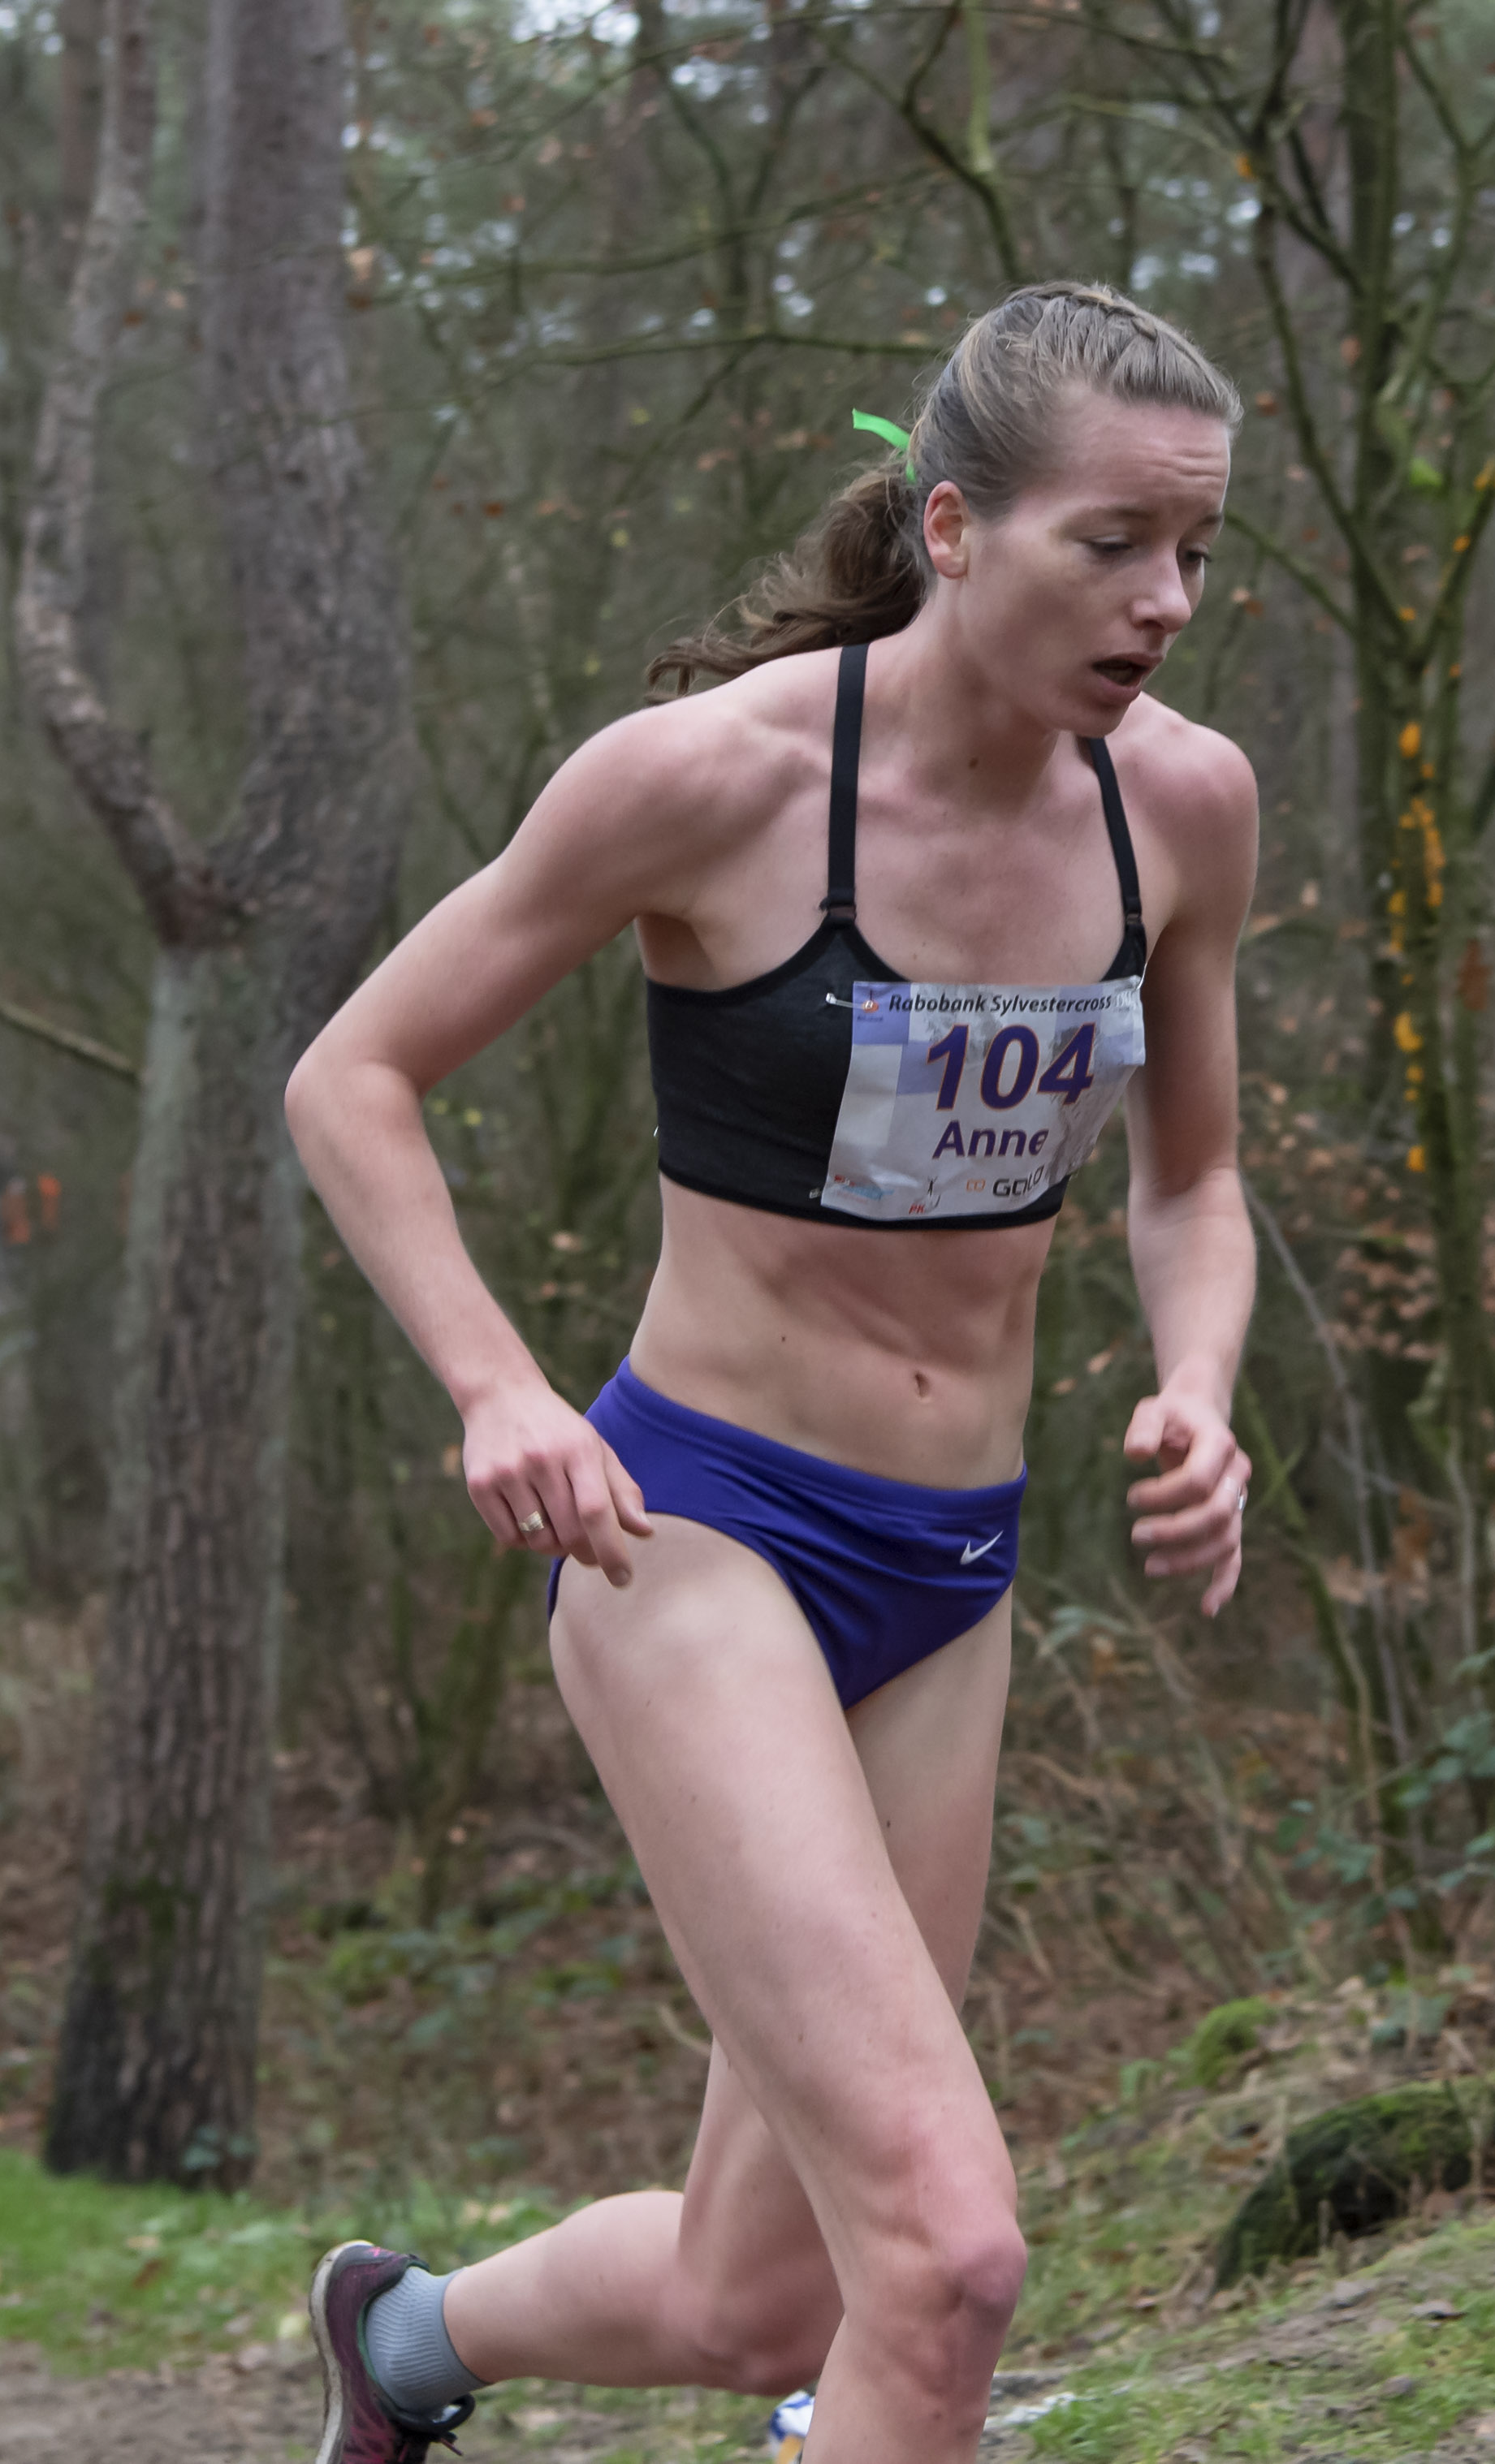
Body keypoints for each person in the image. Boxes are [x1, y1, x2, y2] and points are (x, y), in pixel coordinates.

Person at [284, 283, 1257, 2464]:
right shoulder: (714, 783)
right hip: (696, 1533)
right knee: (948, 2257)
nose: (1168, 600)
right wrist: (498, 1387)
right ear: (955, 529)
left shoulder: (1182, 809)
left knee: (764, 2293)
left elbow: (1193, 1179)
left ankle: (401, 2341)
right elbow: (352, 1076)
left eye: (1197, 549)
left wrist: (1198, 1382)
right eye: (1115, 542)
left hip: (952, 1571)